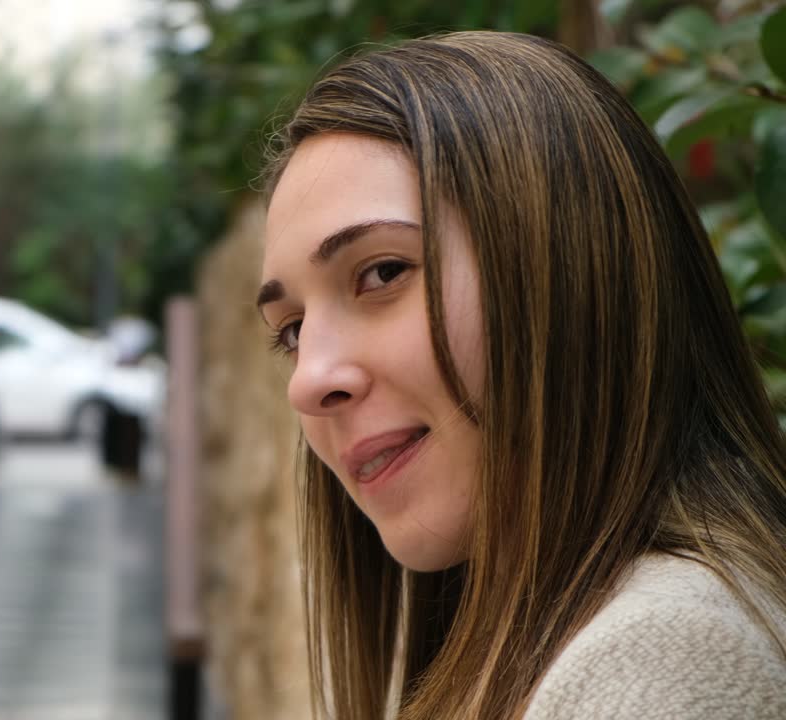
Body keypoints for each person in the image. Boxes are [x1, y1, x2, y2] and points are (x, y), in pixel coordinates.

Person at [257, 31, 786, 720]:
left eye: (383, 273)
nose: (309, 380)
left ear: (570, 270)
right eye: (292, 332)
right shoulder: (562, 644)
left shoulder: (657, 664)